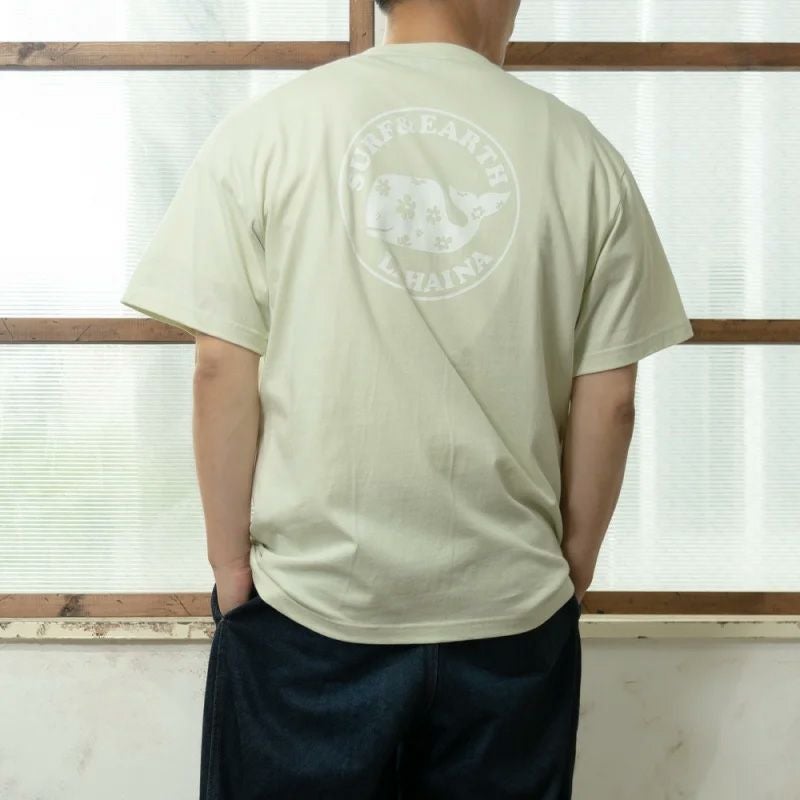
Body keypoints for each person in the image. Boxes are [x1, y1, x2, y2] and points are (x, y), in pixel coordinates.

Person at [120, 0, 693, 796]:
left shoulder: (270, 132)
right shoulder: (583, 156)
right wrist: (569, 571)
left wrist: (231, 569)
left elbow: (220, 367)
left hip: (308, 606)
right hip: (511, 616)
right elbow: (612, 399)